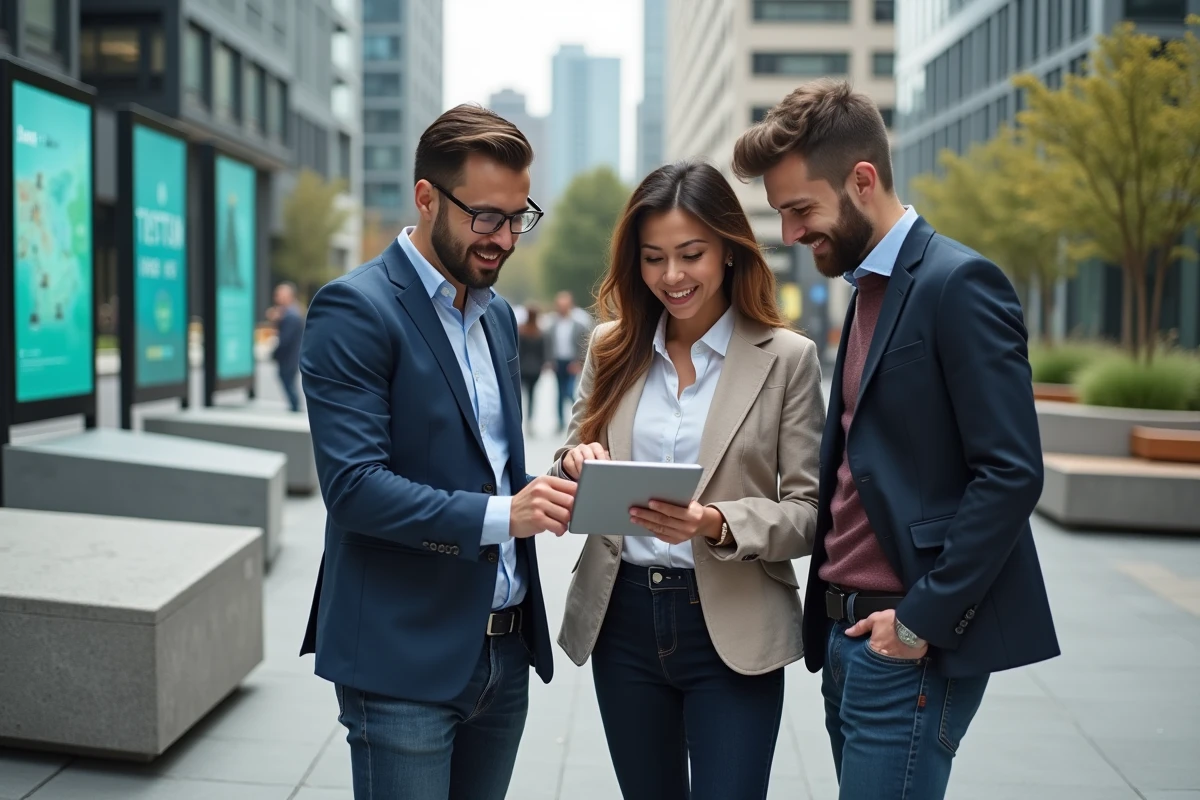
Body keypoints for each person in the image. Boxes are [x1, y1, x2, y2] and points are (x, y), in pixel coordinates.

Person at [731, 79, 1060, 799]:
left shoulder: (959, 283)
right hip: (851, 638)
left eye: (800, 210)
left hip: (905, 645)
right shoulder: (869, 288)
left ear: (863, 180)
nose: (788, 234)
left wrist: (919, 624)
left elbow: (1010, 473)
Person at [298, 104, 577, 800]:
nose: (505, 238)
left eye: (518, 217)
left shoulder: (497, 317)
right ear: (426, 198)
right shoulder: (355, 309)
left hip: (503, 653)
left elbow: (486, 469)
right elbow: (356, 489)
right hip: (402, 659)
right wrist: (503, 515)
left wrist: (559, 480)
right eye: (485, 216)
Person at [550, 161, 825, 800]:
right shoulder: (610, 346)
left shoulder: (787, 359)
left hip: (730, 624)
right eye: (653, 258)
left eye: (690, 254)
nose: (671, 276)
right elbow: (568, 453)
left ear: (728, 250)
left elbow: (808, 510)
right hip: (623, 619)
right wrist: (574, 466)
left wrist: (718, 522)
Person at [545, 290, 591, 431]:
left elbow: (584, 344)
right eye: (560, 305)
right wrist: (549, 360)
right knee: (559, 392)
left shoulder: (578, 323)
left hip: (572, 362)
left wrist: (579, 362)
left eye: (565, 304)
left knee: (570, 391)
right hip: (558, 361)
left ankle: (578, 418)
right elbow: (548, 343)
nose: (562, 308)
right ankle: (560, 421)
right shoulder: (552, 323)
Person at [269, 281, 304, 412]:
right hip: (291, 357)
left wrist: (274, 353)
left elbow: (285, 339)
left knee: (288, 383)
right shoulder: (291, 312)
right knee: (289, 383)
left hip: (289, 358)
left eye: (279, 295)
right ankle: (294, 408)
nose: (276, 298)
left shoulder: (291, 315)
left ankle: (295, 408)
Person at [517, 303, 548, 431]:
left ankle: (519, 419)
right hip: (535, 369)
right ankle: (529, 419)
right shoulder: (539, 333)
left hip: (523, 367)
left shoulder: (521, 331)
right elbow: (542, 352)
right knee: (531, 396)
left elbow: (518, 350)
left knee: (519, 395)